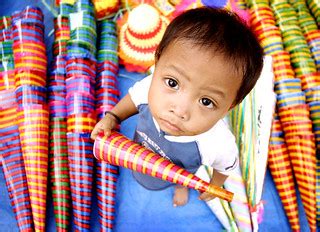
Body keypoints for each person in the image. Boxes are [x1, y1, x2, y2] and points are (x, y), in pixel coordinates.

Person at [91, 6, 264, 207]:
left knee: (180, 177)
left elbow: (225, 167)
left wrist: (213, 186)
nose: (180, 110)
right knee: (139, 167)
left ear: (231, 106)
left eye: (206, 102)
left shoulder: (219, 144)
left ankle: (180, 186)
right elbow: (132, 98)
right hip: (138, 153)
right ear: (157, 61)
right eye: (173, 83)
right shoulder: (149, 88)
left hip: (177, 174)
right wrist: (113, 117)